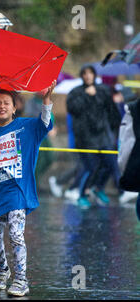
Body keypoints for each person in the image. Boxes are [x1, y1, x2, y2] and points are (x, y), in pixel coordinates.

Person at [0, 81, 56, 297]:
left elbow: (45, 123)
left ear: (15, 107)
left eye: (6, 103)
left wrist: (46, 99)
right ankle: (3, 271)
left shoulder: (27, 126)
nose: (2, 106)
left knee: (16, 235)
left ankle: (21, 280)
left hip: (18, 192)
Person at [67, 65, 121, 209]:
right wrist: (86, 95)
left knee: (111, 163)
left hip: (102, 136)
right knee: (89, 168)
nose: (88, 76)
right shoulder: (75, 93)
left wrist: (118, 128)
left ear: (94, 74)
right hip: (85, 138)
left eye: (90, 73)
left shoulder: (103, 90)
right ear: (81, 75)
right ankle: (82, 195)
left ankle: (98, 188)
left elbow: (111, 110)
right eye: (85, 73)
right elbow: (73, 109)